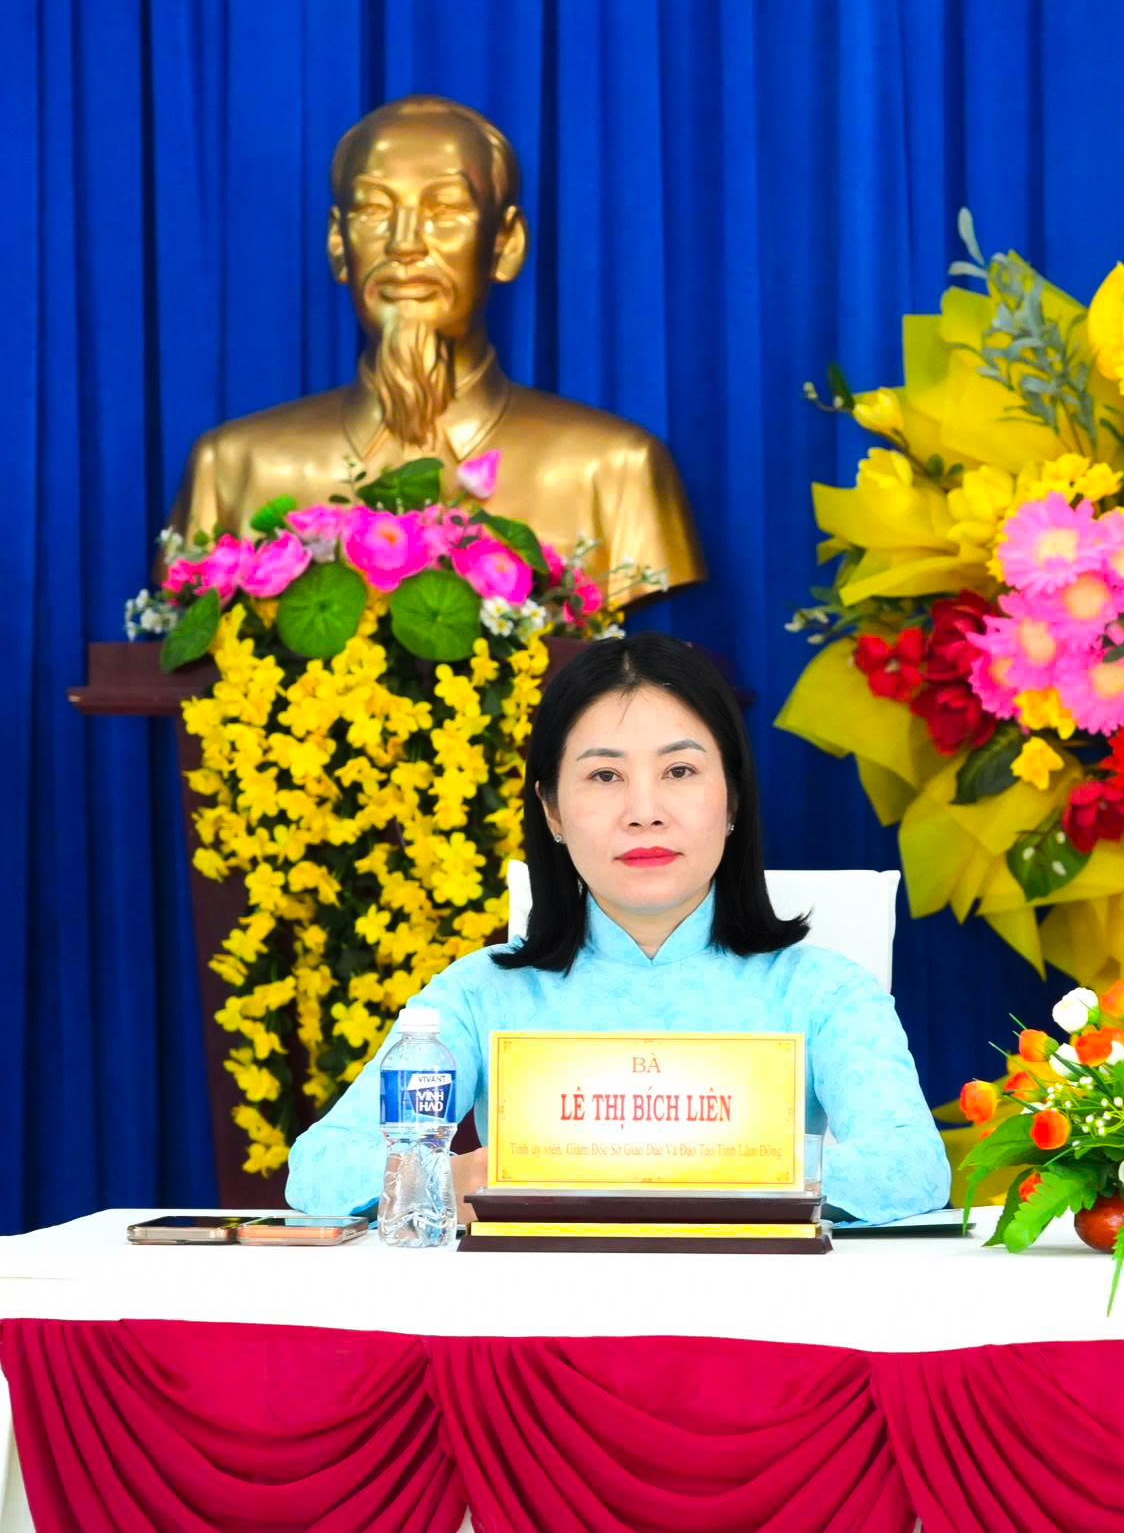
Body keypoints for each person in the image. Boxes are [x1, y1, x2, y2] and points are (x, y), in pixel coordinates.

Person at [286, 633, 950, 1224]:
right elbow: (320, 1168)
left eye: (680, 771)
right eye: (604, 775)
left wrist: (718, 1173)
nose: (644, 811)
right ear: (551, 809)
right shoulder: (479, 994)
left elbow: (913, 1167)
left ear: (733, 799)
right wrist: (444, 1179)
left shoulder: (822, 990)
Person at [167, 95, 702, 605]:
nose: (404, 244)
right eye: (374, 209)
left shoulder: (615, 472)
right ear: (338, 244)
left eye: (444, 209)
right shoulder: (231, 469)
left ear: (507, 243)